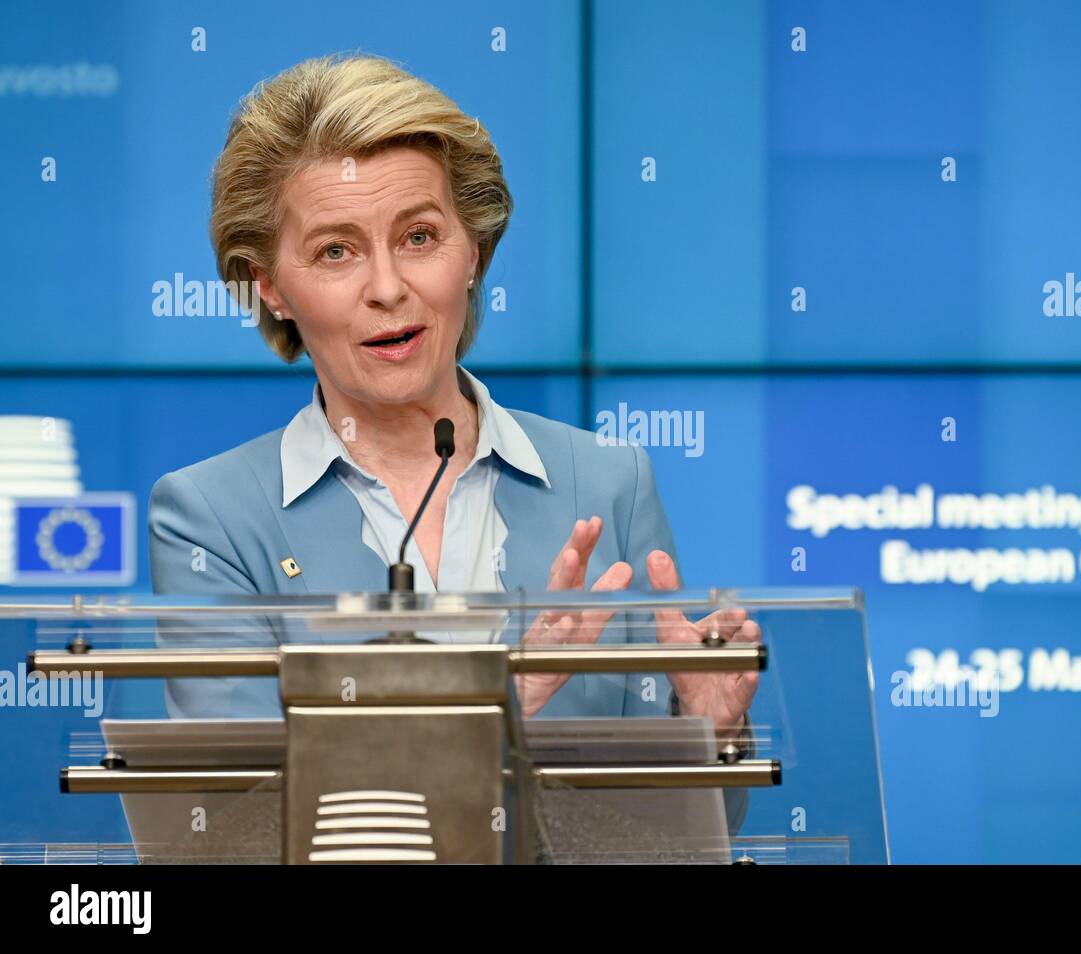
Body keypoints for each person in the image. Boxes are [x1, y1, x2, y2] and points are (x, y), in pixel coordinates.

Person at [147, 55, 759, 820]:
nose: (388, 288)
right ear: (268, 283)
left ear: (474, 251)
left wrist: (713, 733)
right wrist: (503, 706)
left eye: (420, 236)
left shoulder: (608, 481)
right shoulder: (211, 514)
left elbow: (676, 832)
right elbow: (232, 820)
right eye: (335, 250)